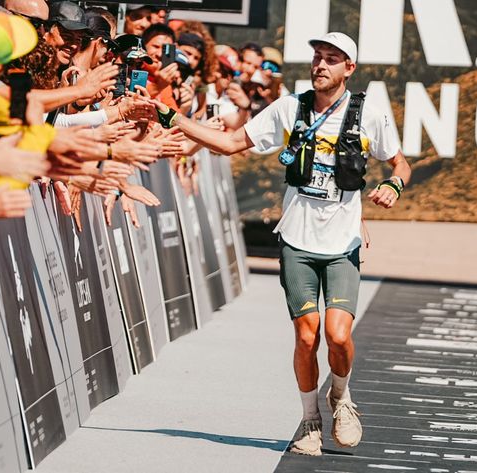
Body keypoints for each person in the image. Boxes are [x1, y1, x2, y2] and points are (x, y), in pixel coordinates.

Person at [148, 32, 411, 456]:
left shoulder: (370, 115)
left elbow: (400, 163)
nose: (321, 65)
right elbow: (231, 143)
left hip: (342, 241)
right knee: (307, 338)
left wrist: (394, 184)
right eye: (317, 57)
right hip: (297, 242)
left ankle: (340, 398)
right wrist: (171, 117)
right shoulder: (290, 108)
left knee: (338, 335)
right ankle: (309, 421)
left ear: (350, 69)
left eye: (332, 59)